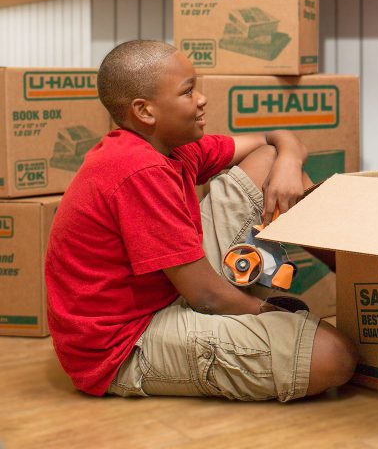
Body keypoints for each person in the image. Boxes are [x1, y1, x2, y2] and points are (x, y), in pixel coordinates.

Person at [45, 40, 357, 401]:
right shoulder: (138, 170)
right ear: (145, 111)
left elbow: (276, 139)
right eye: (188, 91)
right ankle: (347, 293)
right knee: (335, 357)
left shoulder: (171, 146)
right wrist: (272, 314)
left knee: (268, 161)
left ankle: (355, 278)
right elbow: (205, 295)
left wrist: (287, 160)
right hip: (126, 344)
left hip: (170, 289)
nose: (202, 99)